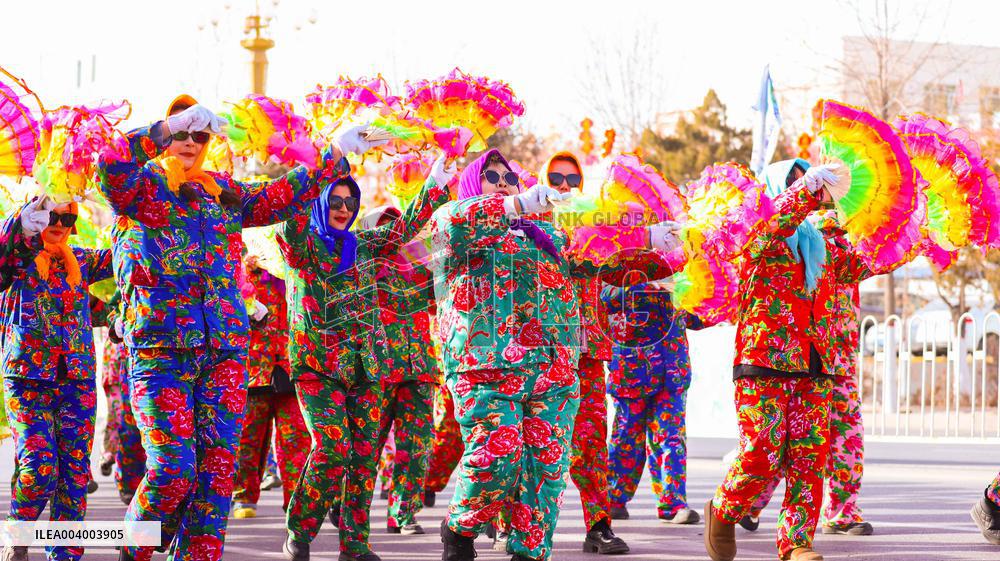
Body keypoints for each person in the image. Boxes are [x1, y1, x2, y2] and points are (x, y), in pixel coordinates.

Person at [97, 94, 361, 561]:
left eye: (199, 134)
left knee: (218, 477)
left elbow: (280, 195)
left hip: (224, 353)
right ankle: (133, 546)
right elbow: (112, 165)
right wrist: (163, 127)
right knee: (172, 471)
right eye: (181, 133)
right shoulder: (140, 189)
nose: (189, 143)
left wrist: (333, 157)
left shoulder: (221, 192)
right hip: (162, 353)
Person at [434, 149, 682, 561]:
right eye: (491, 176)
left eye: (508, 176)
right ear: (475, 186)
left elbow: (597, 255)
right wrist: (517, 203)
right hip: (487, 367)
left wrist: (651, 241)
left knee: (546, 470)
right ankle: (460, 525)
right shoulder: (455, 227)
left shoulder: (549, 235)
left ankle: (529, 551)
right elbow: (456, 219)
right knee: (498, 454)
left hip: (553, 368)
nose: (502, 181)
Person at [280, 156, 454, 561]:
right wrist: (323, 165)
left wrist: (434, 183)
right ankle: (300, 530)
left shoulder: (364, 246)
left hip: (364, 368)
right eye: (335, 201)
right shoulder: (302, 247)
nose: (343, 209)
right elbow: (291, 220)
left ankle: (355, 545)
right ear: (321, 204)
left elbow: (404, 229)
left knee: (361, 460)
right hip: (318, 367)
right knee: (331, 447)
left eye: (349, 202)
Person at [703, 159, 875, 561]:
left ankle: (796, 542)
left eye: (807, 179)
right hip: (764, 361)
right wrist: (810, 189)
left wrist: (916, 226)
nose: (803, 188)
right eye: (792, 181)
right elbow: (775, 220)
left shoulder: (824, 242)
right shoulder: (754, 232)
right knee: (761, 451)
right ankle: (725, 507)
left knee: (808, 458)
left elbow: (868, 261)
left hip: (816, 365)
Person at [741, 213, 872, 536]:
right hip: (800, 360)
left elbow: (872, 264)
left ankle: (842, 512)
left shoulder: (861, 237)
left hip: (838, 362)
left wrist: (910, 234)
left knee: (846, 437)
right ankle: (749, 503)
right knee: (782, 444)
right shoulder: (811, 236)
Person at [0, 197, 113, 561]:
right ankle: (17, 536)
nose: (60, 223)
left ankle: (65, 554)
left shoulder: (79, 261)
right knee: (38, 466)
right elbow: (9, 244)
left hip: (76, 381)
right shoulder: (17, 261)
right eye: (52, 215)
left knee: (75, 473)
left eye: (67, 217)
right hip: (27, 378)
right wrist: (27, 215)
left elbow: (126, 254)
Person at [541, 151, 628, 553]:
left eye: (573, 181)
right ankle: (511, 522)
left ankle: (599, 525)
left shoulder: (598, 231)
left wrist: (668, 246)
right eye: (556, 178)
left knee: (592, 442)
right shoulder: (528, 227)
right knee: (534, 442)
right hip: (539, 356)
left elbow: (625, 266)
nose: (564, 187)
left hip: (588, 355)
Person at [361, 205, 440, 535]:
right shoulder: (360, 265)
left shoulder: (419, 264)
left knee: (416, 444)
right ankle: (352, 509)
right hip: (378, 369)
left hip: (419, 366)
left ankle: (403, 513)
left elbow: (442, 294)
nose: (393, 233)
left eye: (397, 226)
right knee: (367, 444)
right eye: (384, 227)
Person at [603, 281, 707, 525]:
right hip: (631, 369)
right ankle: (614, 498)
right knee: (626, 438)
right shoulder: (619, 259)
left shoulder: (682, 267)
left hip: (671, 371)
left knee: (671, 437)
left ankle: (673, 503)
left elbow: (698, 318)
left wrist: (702, 295)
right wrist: (645, 286)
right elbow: (606, 297)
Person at [232, 257, 309, 518]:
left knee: (296, 438)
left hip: (291, 365)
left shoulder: (293, 267)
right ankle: (244, 495)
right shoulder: (240, 271)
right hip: (252, 367)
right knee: (249, 437)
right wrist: (245, 267)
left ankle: (296, 502)